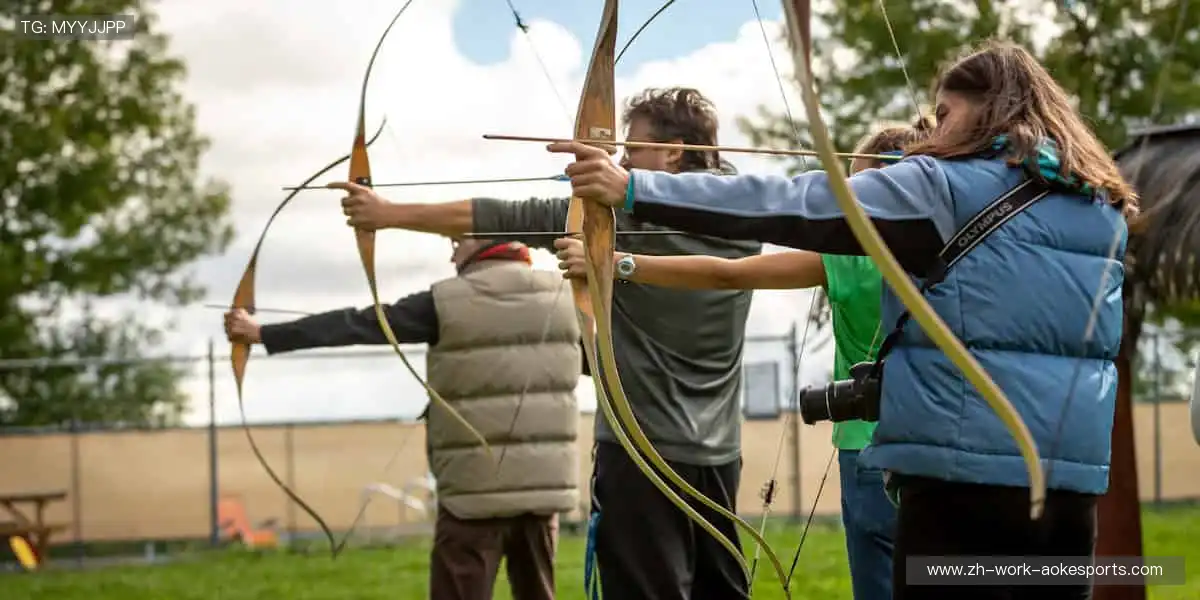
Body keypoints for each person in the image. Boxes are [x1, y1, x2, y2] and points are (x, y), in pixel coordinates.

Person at [549, 41, 1136, 600]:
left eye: (945, 114)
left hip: (960, 486)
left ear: (987, 110)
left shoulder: (941, 186)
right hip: (1068, 490)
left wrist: (633, 187)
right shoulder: (1099, 204)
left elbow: (794, 201)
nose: (934, 132)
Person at [331, 87, 762, 600]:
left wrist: (387, 213)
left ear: (673, 152)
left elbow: (504, 217)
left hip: (638, 453)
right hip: (719, 454)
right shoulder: (745, 217)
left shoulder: (621, 223)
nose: (623, 161)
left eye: (633, 149)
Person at [554, 120, 931, 600]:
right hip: (946, 450)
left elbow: (727, 274)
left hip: (867, 451)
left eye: (859, 186)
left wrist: (617, 263)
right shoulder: (961, 251)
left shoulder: (849, 256)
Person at [223, 237, 580, 600]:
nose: (452, 253)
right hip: (543, 493)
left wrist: (262, 333)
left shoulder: (446, 300)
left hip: (472, 496)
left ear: (485, 237)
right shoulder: (565, 297)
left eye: (458, 240)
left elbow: (357, 324)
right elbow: (600, 365)